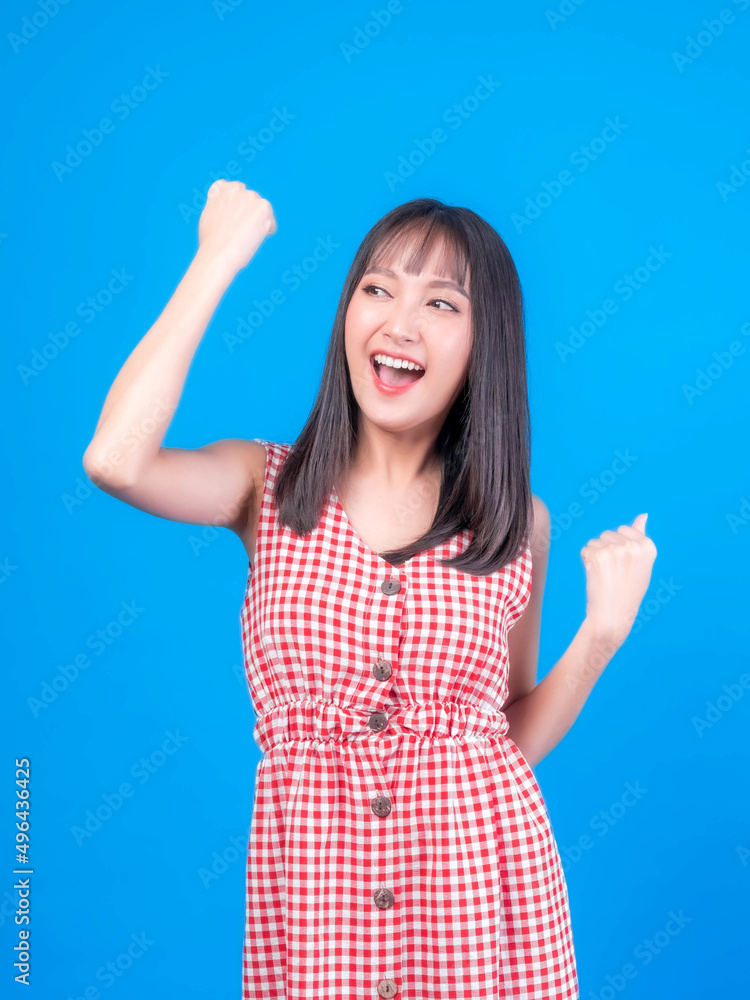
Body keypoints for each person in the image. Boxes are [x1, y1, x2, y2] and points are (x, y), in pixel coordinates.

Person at [83, 182, 657, 999]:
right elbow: (115, 460)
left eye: (441, 304)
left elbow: (507, 737)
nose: (399, 323)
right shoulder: (267, 486)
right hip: (319, 912)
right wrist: (216, 260)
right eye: (378, 290)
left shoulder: (514, 521)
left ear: (484, 344)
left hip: (482, 910)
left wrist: (600, 636)